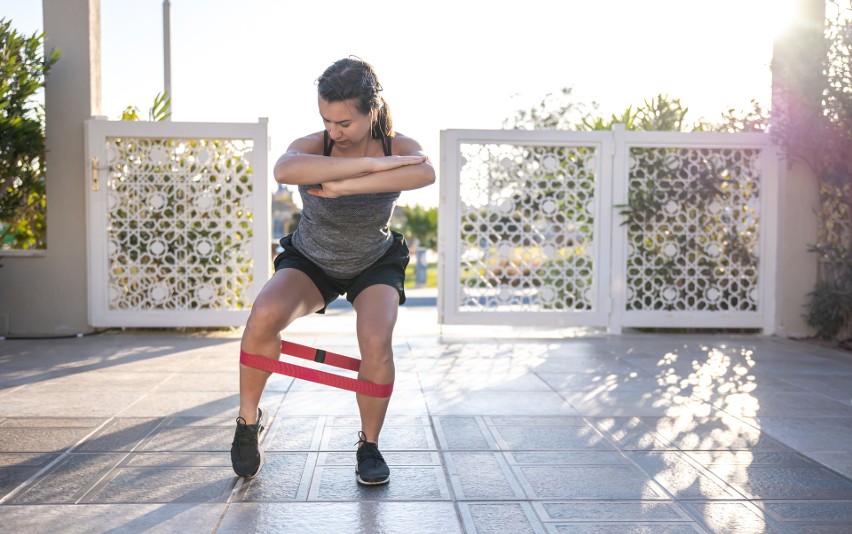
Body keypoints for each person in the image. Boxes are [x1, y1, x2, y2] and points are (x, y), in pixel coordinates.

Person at [230, 57, 435, 485]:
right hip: (312, 260)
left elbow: (425, 171)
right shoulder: (314, 145)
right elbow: (285, 169)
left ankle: (369, 445)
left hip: (373, 261)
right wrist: (376, 167)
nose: (333, 131)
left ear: (372, 112)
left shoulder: (398, 145)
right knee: (263, 315)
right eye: (326, 119)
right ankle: (248, 421)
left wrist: (347, 185)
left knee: (376, 340)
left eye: (344, 122)